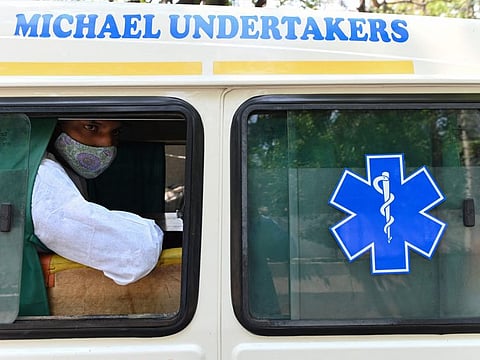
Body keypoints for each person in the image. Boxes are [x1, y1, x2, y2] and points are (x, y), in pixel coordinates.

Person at [31, 120, 163, 287]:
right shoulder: (43, 175)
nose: (106, 143)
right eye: (91, 127)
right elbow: (137, 253)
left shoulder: (64, 169)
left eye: (115, 132)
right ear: (56, 126)